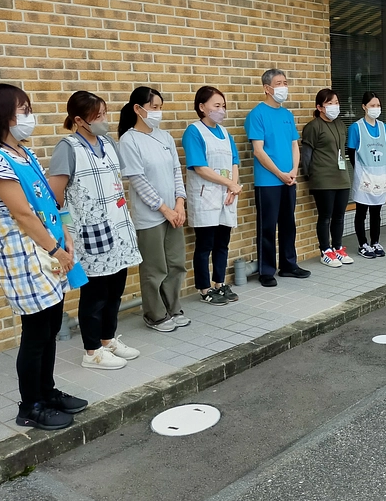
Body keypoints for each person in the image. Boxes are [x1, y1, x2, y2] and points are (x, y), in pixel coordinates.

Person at [0, 83, 87, 430]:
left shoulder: (26, 153)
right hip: (25, 258)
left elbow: (50, 203)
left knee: (51, 325)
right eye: (22, 110)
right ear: (0, 115)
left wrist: (65, 235)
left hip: (50, 253)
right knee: (36, 331)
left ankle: (48, 391)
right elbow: (22, 214)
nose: (28, 116)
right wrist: (56, 250)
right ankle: (31, 405)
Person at [49, 91, 143, 369]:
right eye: (97, 116)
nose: (104, 120)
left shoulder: (108, 143)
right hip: (89, 233)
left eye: (104, 114)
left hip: (118, 229)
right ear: (79, 120)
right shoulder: (67, 148)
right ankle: (92, 352)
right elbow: (54, 196)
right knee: (95, 295)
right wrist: (66, 232)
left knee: (116, 289)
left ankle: (107, 340)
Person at [117, 86, 189, 332]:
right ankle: (155, 314)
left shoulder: (164, 137)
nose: (158, 112)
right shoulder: (128, 140)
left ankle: (173, 307)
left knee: (175, 263)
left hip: (173, 213)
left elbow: (176, 171)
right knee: (154, 267)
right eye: (154, 107)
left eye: (160, 107)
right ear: (138, 109)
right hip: (151, 216)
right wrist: (165, 210)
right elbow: (138, 181)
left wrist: (180, 202)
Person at [244, 69, 310, 287]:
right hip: (268, 181)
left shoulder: (287, 115)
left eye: (285, 82)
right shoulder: (257, 114)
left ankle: (289, 265)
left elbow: (294, 145)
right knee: (267, 227)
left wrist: (293, 170)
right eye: (279, 83)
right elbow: (259, 151)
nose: (283, 87)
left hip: (288, 179)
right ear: (267, 88)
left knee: (288, 223)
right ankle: (266, 271)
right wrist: (279, 173)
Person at [182, 86, 242, 305]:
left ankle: (219, 283)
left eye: (223, 106)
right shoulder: (194, 131)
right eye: (216, 105)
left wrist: (233, 186)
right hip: (205, 197)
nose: (221, 110)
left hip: (226, 196)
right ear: (201, 107)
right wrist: (230, 184)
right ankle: (204, 288)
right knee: (204, 245)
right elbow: (200, 167)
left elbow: (234, 161)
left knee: (222, 243)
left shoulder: (225, 133)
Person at [301, 88, 353, 268]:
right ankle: (325, 250)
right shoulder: (313, 127)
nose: (334, 106)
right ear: (320, 107)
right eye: (329, 103)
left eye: (336, 103)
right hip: (323, 178)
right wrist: (309, 175)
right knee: (325, 216)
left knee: (339, 216)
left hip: (341, 176)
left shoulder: (340, 124)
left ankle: (338, 247)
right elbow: (306, 154)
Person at [347, 91, 386, 259]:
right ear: (364, 107)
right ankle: (362, 243)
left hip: (380, 176)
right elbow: (351, 152)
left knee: (376, 213)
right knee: (361, 212)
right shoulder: (356, 128)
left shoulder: (383, 127)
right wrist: (361, 170)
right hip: (364, 177)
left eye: (378, 105)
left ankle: (375, 242)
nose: (375, 108)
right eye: (372, 105)